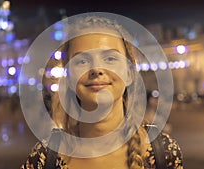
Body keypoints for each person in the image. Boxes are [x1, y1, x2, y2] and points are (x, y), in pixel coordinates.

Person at [21, 14, 183, 169]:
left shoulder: (163, 152)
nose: (97, 69)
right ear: (69, 78)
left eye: (110, 58)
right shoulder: (45, 158)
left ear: (129, 73)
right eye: (82, 61)